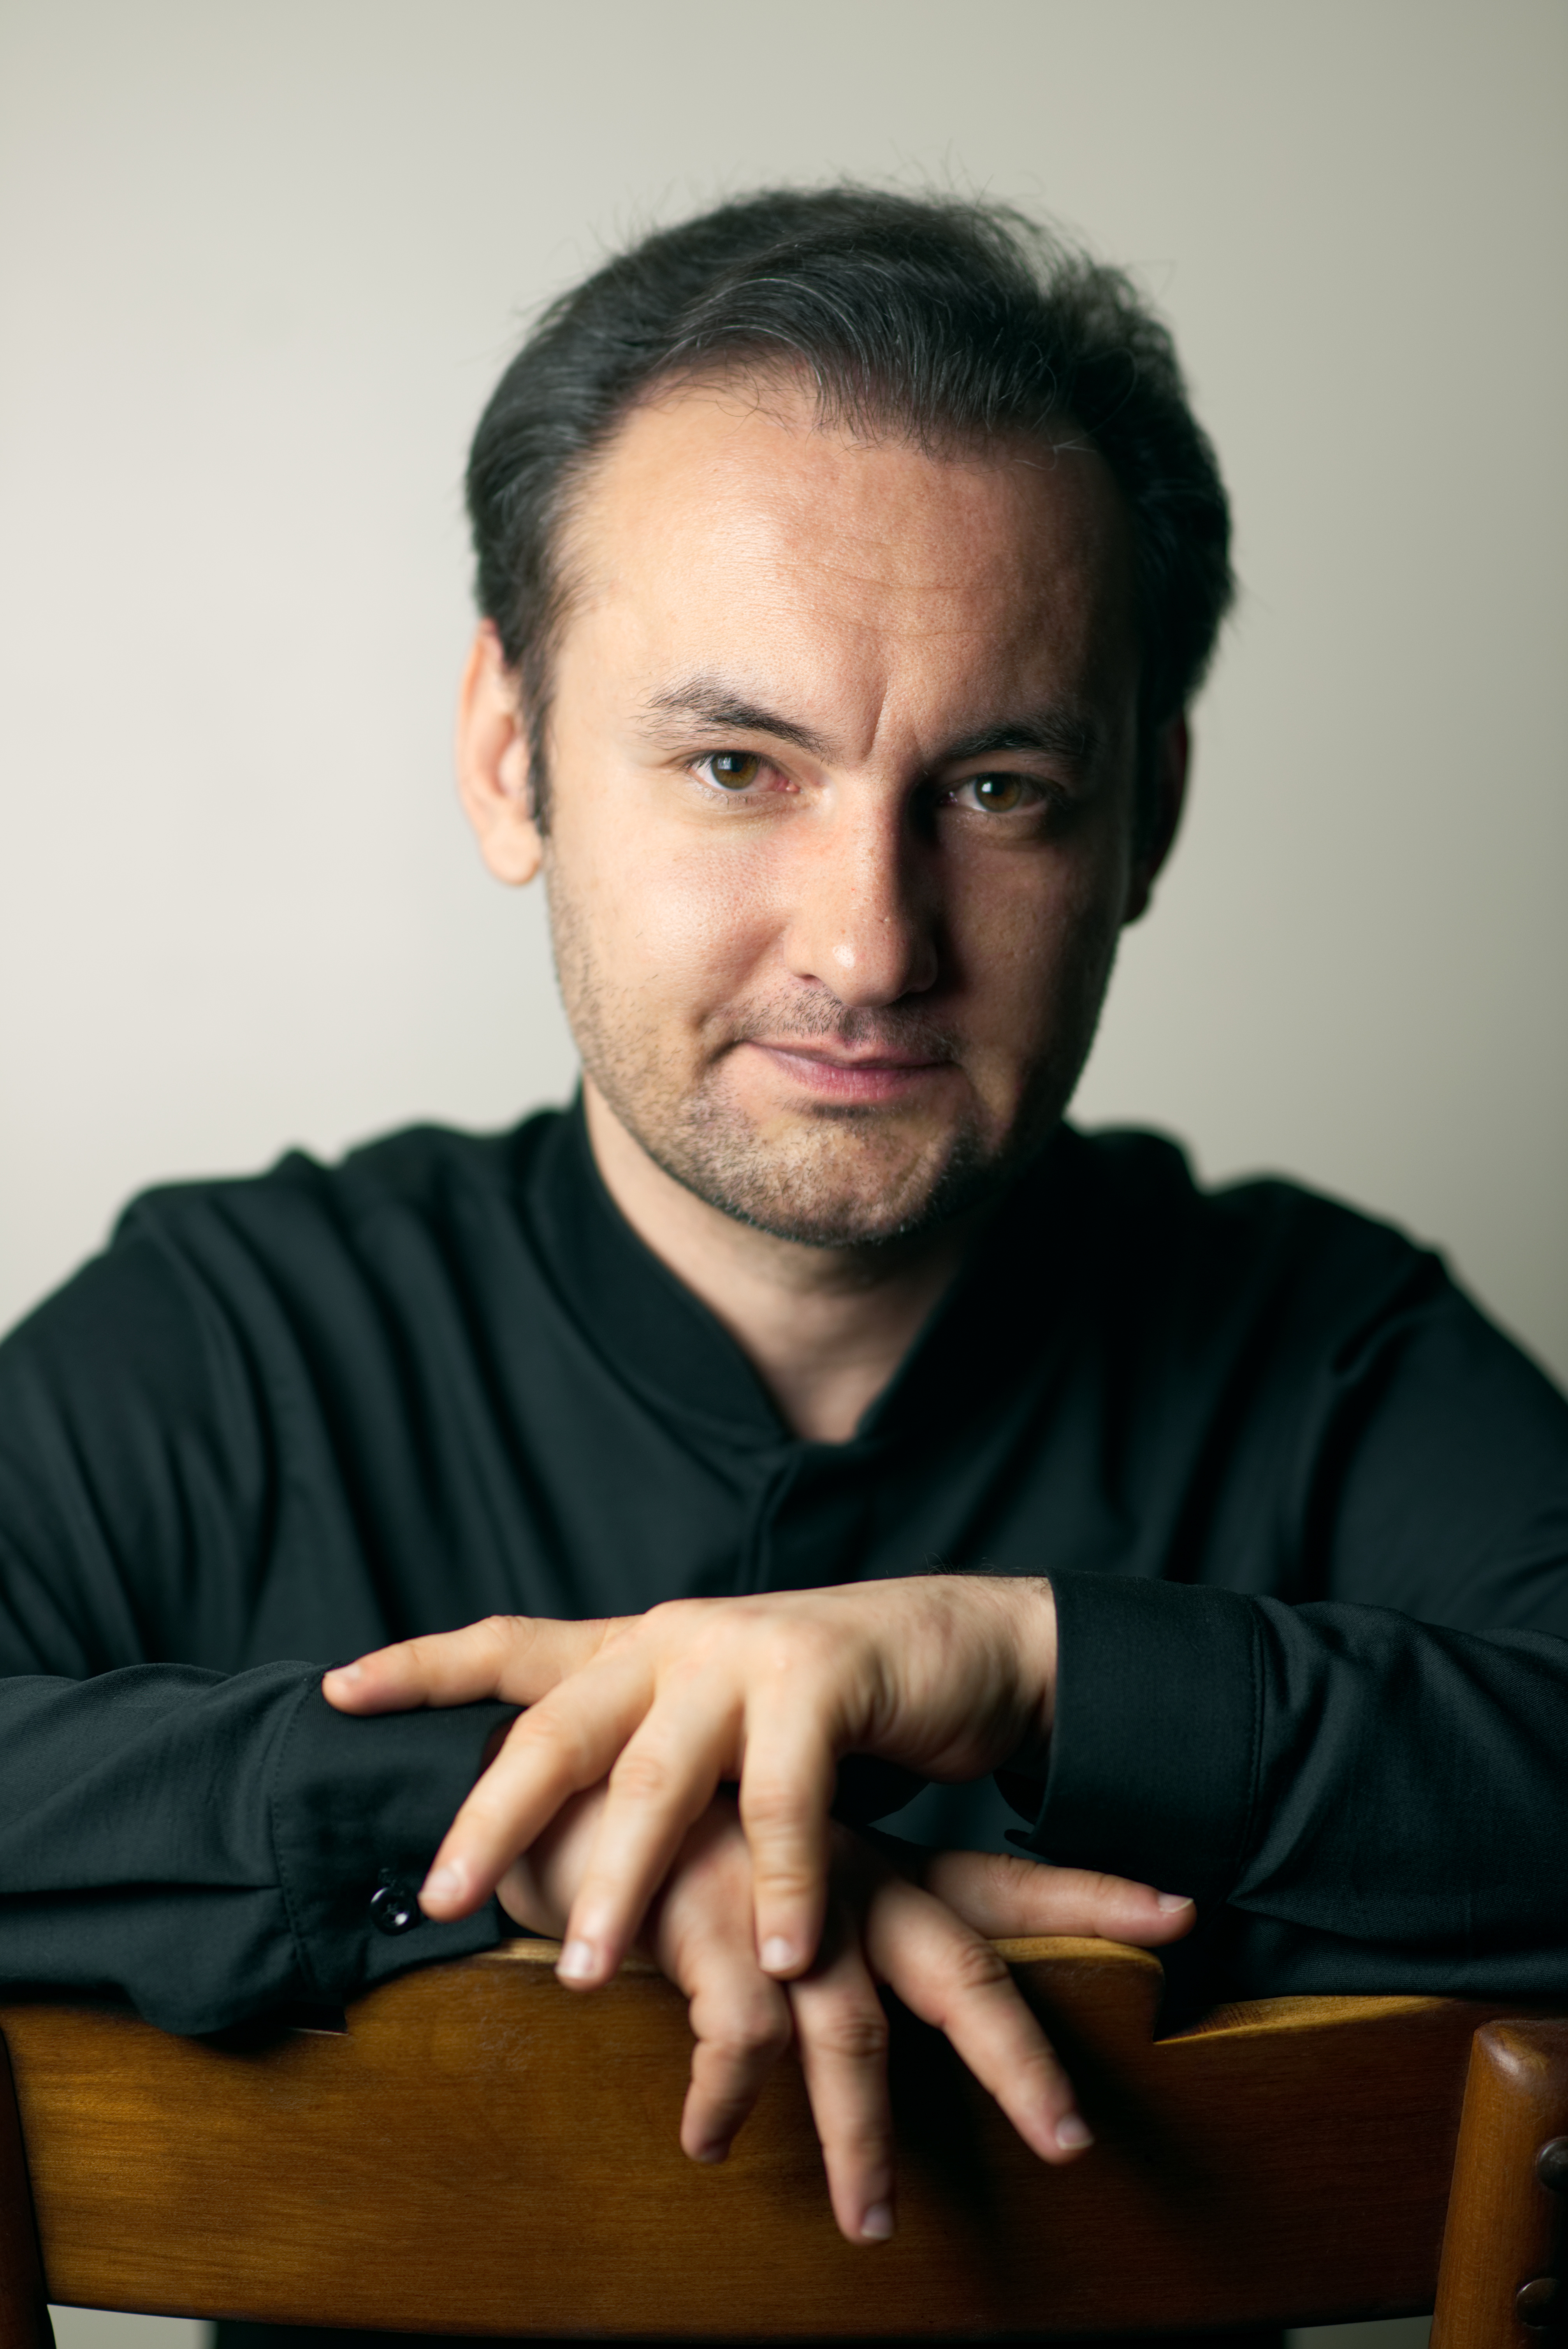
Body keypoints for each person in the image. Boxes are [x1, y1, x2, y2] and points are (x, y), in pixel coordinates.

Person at [3, 186, 1566, 2322]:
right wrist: (527, 1815)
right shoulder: (229, 1345)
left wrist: (1036, 1664)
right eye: (740, 765)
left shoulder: (1338, 1356)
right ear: (511, 757)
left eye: (999, 789)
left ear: (1150, 817)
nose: (870, 944)